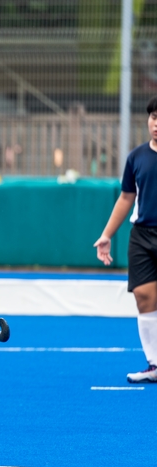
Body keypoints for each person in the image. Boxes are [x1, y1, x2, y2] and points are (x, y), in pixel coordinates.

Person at [94, 96, 157, 383]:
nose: (156, 124)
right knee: (144, 296)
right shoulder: (137, 157)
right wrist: (107, 235)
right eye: (154, 117)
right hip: (142, 236)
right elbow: (126, 198)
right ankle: (154, 364)